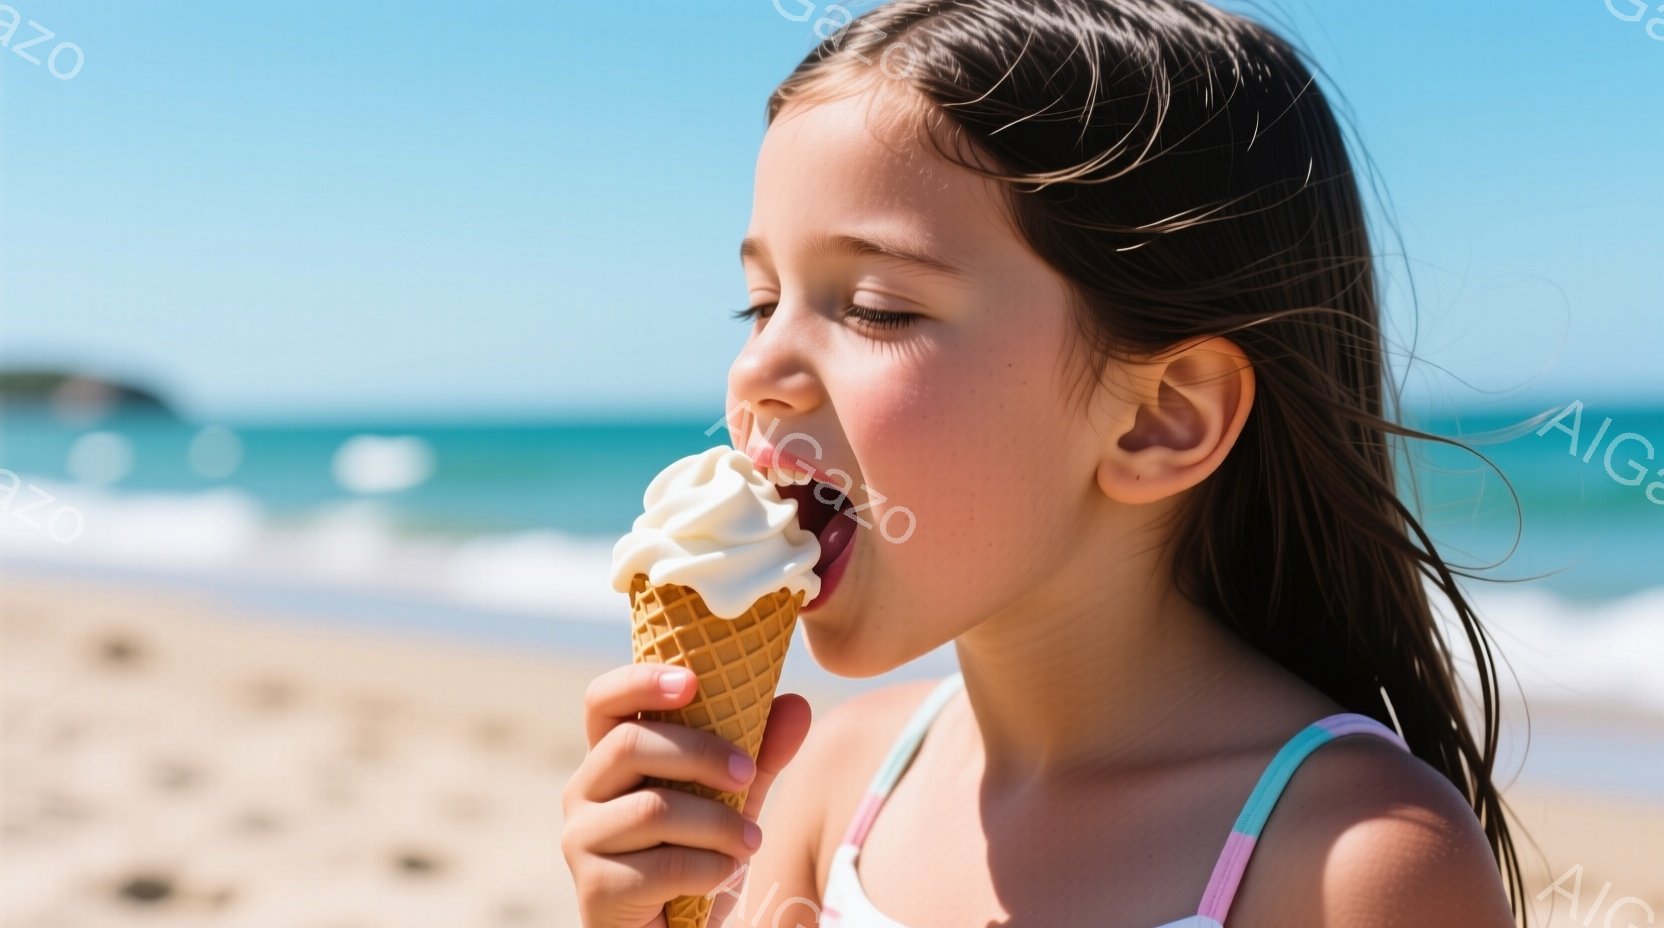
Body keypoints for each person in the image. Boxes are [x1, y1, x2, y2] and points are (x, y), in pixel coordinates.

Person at [561, 1, 1530, 924]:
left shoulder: (1356, 859)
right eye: (760, 303)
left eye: (874, 306)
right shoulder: (828, 782)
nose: (756, 369)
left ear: (1161, 417)